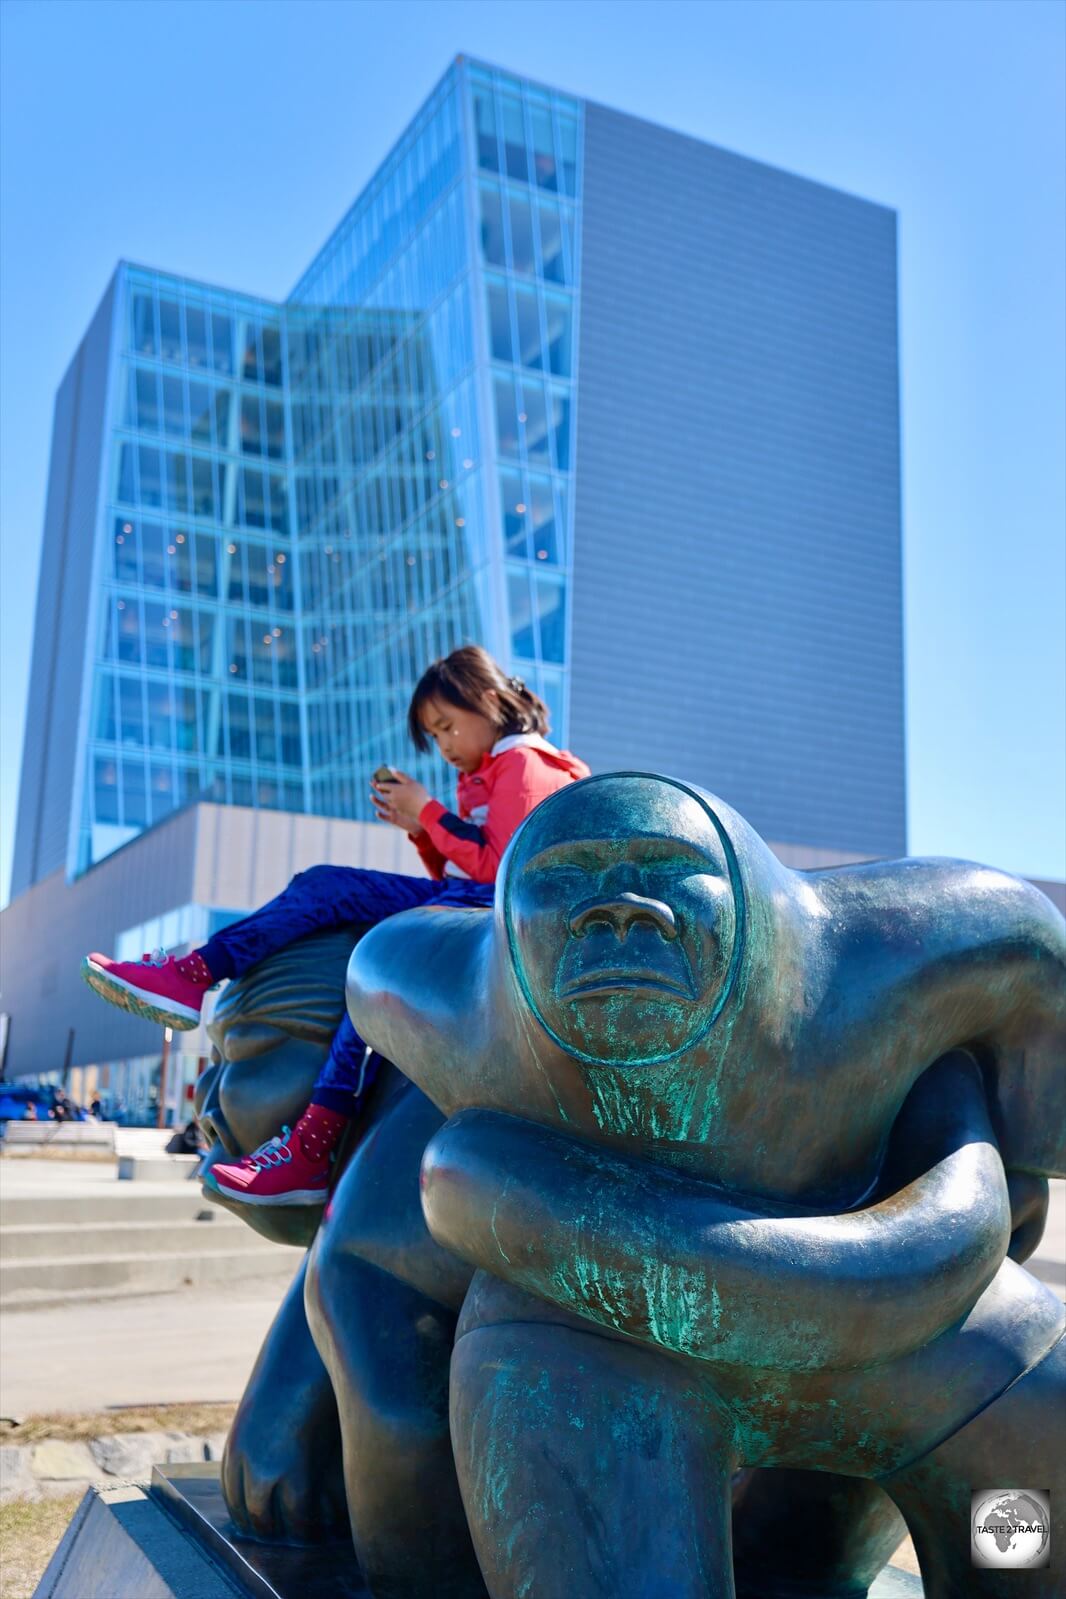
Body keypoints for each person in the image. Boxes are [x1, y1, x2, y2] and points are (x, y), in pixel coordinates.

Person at [82, 646, 589, 1208]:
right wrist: (423, 831)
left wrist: (427, 812)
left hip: (497, 923)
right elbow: (470, 867)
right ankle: (310, 1142)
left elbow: (499, 872)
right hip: (484, 918)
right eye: (434, 735)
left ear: (491, 702)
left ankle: (196, 977)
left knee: (325, 889)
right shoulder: (499, 771)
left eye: (447, 727)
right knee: (358, 962)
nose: (444, 745)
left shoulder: (525, 764)